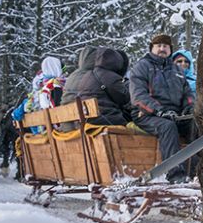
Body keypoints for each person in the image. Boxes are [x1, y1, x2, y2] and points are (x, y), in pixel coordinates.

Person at [129, 34, 194, 183]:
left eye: (165, 46)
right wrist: (159, 111)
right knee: (168, 127)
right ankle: (176, 174)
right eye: (158, 46)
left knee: (196, 125)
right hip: (147, 113)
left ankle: (198, 171)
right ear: (152, 48)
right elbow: (138, 96)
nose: (162, 49)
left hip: (176, 114)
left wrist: (189, 108)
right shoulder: (142, 67)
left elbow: (187, 94)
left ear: (170, 50)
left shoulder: (177, 70)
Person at [69, 47, 131, 126]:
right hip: (103, 121)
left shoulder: (74, 76)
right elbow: (124, 98)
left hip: (73, 124)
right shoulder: (106, 75)